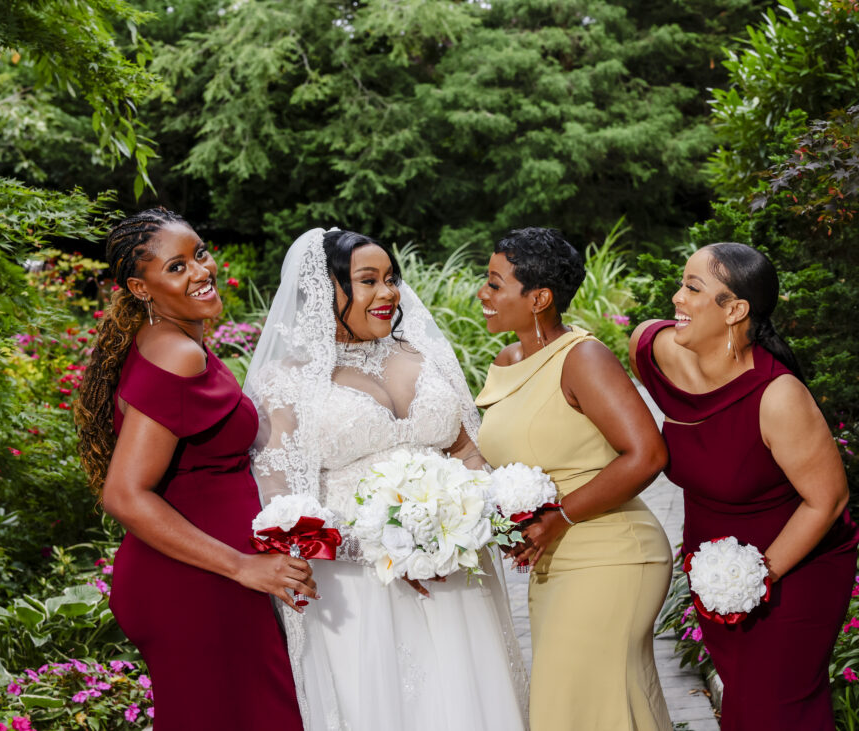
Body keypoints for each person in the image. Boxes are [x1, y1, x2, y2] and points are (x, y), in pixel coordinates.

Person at [244, 228, 528, 731]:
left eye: (391, 279)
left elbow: (466, 450)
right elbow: (282, 505)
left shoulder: (427, 355)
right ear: (323, 289)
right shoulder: (284, 382)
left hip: (455, 570)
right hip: (358, 591)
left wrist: (470, 520)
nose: (388, 293)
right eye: (367, 281)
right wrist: (390, 547)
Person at [73, 208, 309, 731]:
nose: (200, 270)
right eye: (176, 267)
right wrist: (241, 565)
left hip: (206, 582)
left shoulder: (176, 342)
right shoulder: (176, 354)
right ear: (140, 287)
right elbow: (124, 494)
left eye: (198, 254)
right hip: (197, 586)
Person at [629, 242, 859, 731]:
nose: (676, 298)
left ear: (734, 310)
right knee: (748, 699)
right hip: (712, 569)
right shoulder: (652, 350)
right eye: (681, 284)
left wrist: (757, 577)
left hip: (795, 568)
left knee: (770, 708)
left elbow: (829, 500)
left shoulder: (778, 396)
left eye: (693, 288)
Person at [474, 227, 673, 731]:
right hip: (552, 563)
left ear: (538, 297)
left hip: (612, 554)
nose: (484, 293)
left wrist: (560, 516)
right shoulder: (506, 362)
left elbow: (647, 454)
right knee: (601, 709)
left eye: (496, 284)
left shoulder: (582, 358)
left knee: (571, 710)